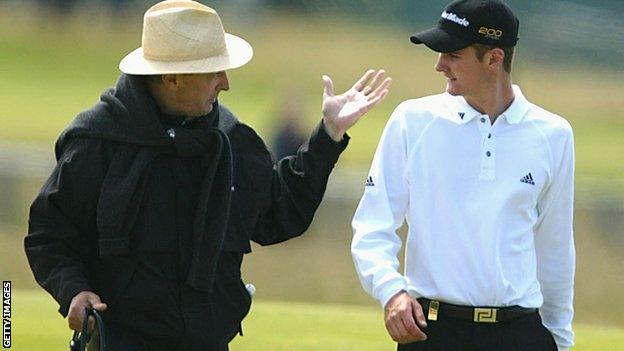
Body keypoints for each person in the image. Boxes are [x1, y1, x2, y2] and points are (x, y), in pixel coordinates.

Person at [24, 0, 391, 350]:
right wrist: (72, 290)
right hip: (120, 341)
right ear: (170, 78)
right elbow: (49, 235)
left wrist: (328, 136)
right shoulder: (97, 142)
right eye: (213, 70)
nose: (225, 82)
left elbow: (279, 214)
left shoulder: (232, 140)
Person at [351, 1, 574, 350]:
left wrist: (560, 339)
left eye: (452, 54)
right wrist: (391, 291)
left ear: (494, 58)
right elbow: (372, 227)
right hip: (433, 332)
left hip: (522, 333)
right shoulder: (412, 121)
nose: (439, 65)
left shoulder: (553, 134)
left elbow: (555, 248)